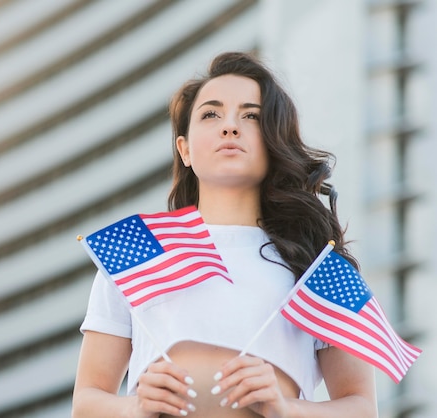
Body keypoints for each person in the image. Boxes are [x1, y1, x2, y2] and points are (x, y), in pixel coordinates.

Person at [72, 52, 377, 417]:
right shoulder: (135, 249)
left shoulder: (319, 264)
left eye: (251, 116)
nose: (230, 127)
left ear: (272, 141)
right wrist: (134, 408)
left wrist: (285, 408)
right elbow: (86, 401)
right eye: (210, 114)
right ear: (184, 149)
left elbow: (362, 408)